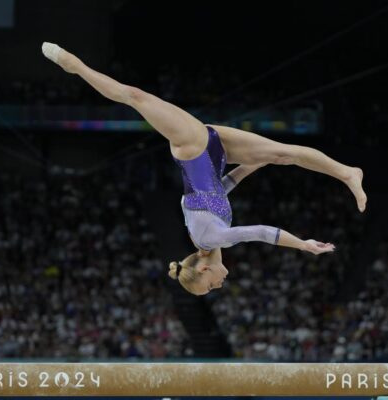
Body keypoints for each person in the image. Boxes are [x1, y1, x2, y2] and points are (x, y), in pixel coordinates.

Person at [42, 42, 367, 296]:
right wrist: (252, 167)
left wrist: (304, 246)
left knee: (135, 98)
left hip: (193, 145)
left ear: (203, 270)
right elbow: (215, 190)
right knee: (281, 153)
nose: (220, 285)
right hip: (217, 151)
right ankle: (348, 171)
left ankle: (74, 65)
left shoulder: (214, 238)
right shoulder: (205, 236)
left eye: (210, 286)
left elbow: (262, 233)